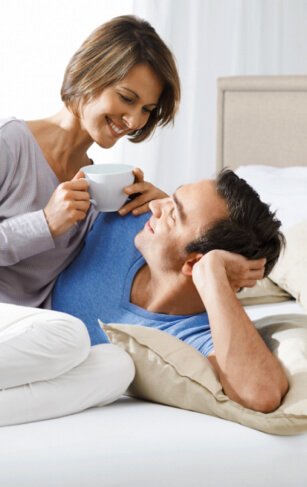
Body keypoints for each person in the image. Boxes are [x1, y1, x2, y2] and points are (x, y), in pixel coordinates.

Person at [0, 15, 180, 426]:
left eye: (147, 110)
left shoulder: (97, 186)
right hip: (31, 331)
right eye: (127, 98)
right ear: (91, 74)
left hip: (27, 336)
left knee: (118, 366)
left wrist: (164, 208)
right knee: (69, 338)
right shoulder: (10, 142)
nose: (134, 120)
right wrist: (46, 222)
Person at [53, 169, 289, 414]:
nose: (155, 204)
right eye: (171, 198)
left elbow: (261, 395)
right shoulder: (129, 216)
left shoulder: (195, 335)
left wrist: (213, 271)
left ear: (193, 264)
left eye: (173, 213)